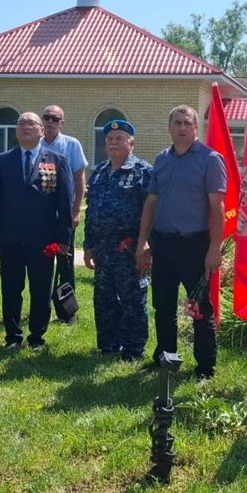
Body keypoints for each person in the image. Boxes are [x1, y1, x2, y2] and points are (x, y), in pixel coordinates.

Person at [135, 105, 225, 381]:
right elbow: (151, 202)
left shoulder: (210, 159)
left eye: (187, 123)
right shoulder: (162, 159)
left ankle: (205, 368)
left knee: (199, 308)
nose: (182, 127)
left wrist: (214, 249)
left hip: (194, 245)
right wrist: (142, 243)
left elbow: (218, 208)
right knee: (163, 305)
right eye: (177, 123)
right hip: (163, 243)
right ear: (169, 127)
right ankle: (166, 358)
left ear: (196, 128)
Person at [0, 111, 73, 350]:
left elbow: (65, 202)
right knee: (11, 289)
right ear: (16, 131)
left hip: (43, 239)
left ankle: (37, 337)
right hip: (10, 238)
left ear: (42, 130)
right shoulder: (3, 160)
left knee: (40, 290)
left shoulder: (56, 160)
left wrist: (64, 237)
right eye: (21, 123)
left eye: (31, 124)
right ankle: (13, 337)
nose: (26, 127)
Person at [83, 118, 152, 361]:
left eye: (119, 138)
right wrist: (88, 246)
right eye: (110, 139)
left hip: (129, 248)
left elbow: (151, 210)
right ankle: (109, 344)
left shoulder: (143, 172)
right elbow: (91, 210)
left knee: (133, 298)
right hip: (102, 248)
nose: (114, 143)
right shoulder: (100, 172)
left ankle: (134, 349)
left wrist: (146, 246)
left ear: (131, 143)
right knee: (104, 298)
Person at [39, 104, 87, 324]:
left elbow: (79, 179)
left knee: (65, 264)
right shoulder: (35, 144)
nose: (50, 122)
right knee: (40, 263)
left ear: (62, 123)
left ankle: (68, 312)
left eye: (55, 119)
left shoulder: (71, 144)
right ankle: (42, 307)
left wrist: (75, 211)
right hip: (40, 215)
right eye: (46, 117)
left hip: (64, 213)